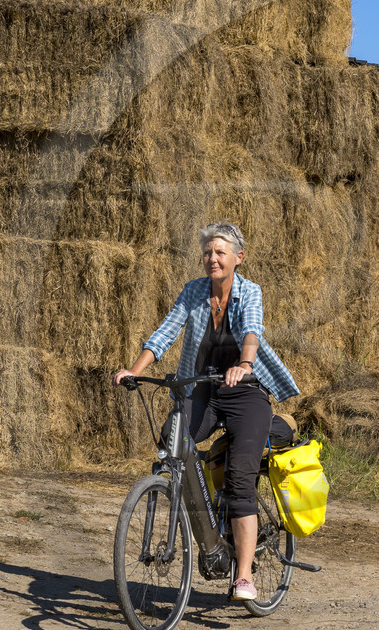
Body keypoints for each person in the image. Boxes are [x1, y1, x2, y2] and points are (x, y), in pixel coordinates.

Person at [112, 223, 300, 601]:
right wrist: (136, 369)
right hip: (204, 389)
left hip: (245, 392)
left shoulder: (250, 292)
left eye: (220, 252)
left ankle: (244, 575)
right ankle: (206, 515)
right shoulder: (194, 291)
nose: (212, 258)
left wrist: (244, 364)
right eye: (208, 252)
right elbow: (165, 333)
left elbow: (252, 332)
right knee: (172, 439)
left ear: (237, 258)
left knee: (241, 482)